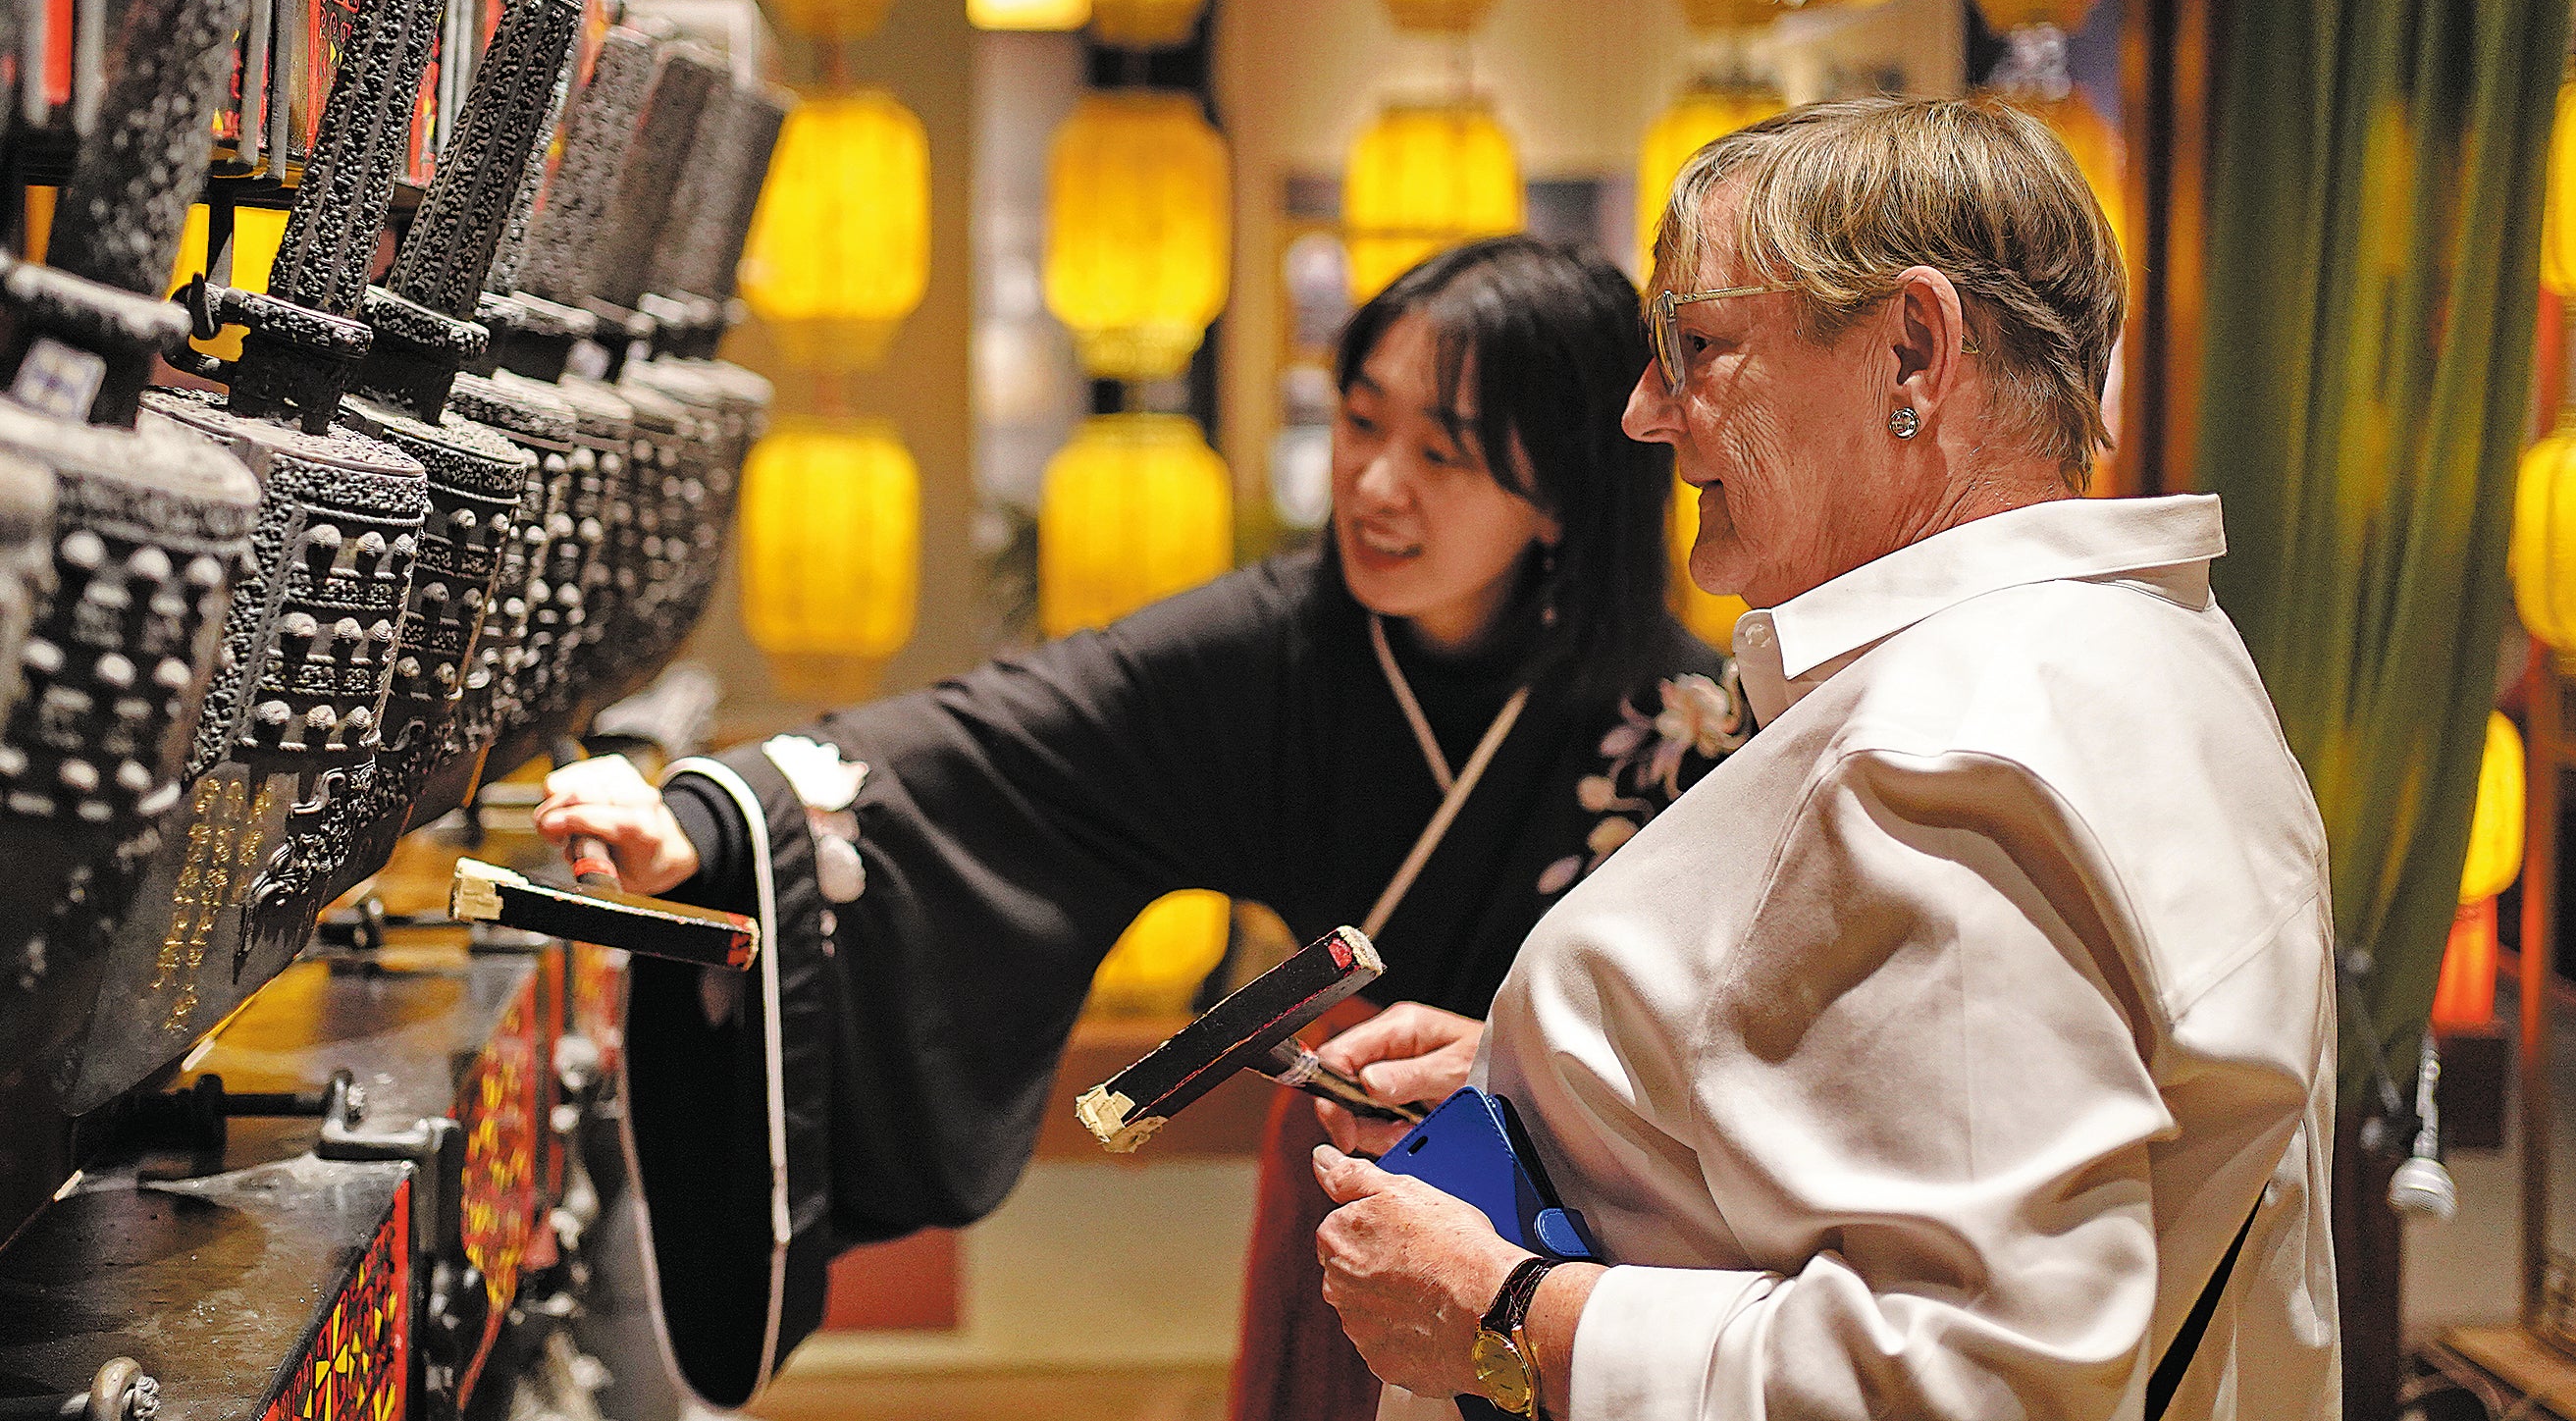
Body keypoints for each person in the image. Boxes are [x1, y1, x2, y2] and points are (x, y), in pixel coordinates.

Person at [533, 236, 1753, 1411]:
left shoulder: (1690, 725)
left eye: (1443, 452)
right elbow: (1001, 742)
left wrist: (1522, 1066)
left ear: (1562, 493)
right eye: (1361, 420)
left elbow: (1750, 1065)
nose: (1376, 483)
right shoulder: (1277, 648)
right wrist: (717, 819)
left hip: (1594, 1259)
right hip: (1355, 1199)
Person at [1304, 97, 2339, 1421]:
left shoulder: (1958, 749)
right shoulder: (2138, 646)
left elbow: (1980, 1377)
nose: (1645, 413)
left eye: (1696, 346)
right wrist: (1597, 1104)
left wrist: (1507, 1314)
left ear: (1912, 353)